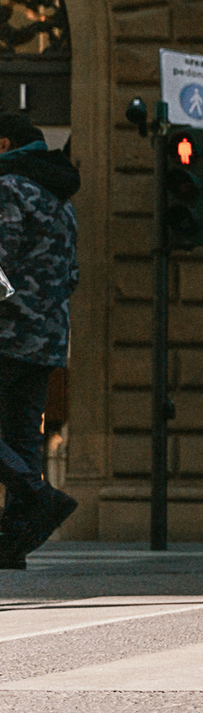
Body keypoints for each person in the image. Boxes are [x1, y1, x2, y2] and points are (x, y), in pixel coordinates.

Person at [0, 113, 80, 568]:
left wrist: (11, 304)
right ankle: (13, 545)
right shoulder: (60, 199)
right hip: (47, 337)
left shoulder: (9, 188)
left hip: (6, 332)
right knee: (22, 436)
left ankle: (39, 496)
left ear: (4, 142)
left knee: (20, 438)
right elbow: (72, 275)